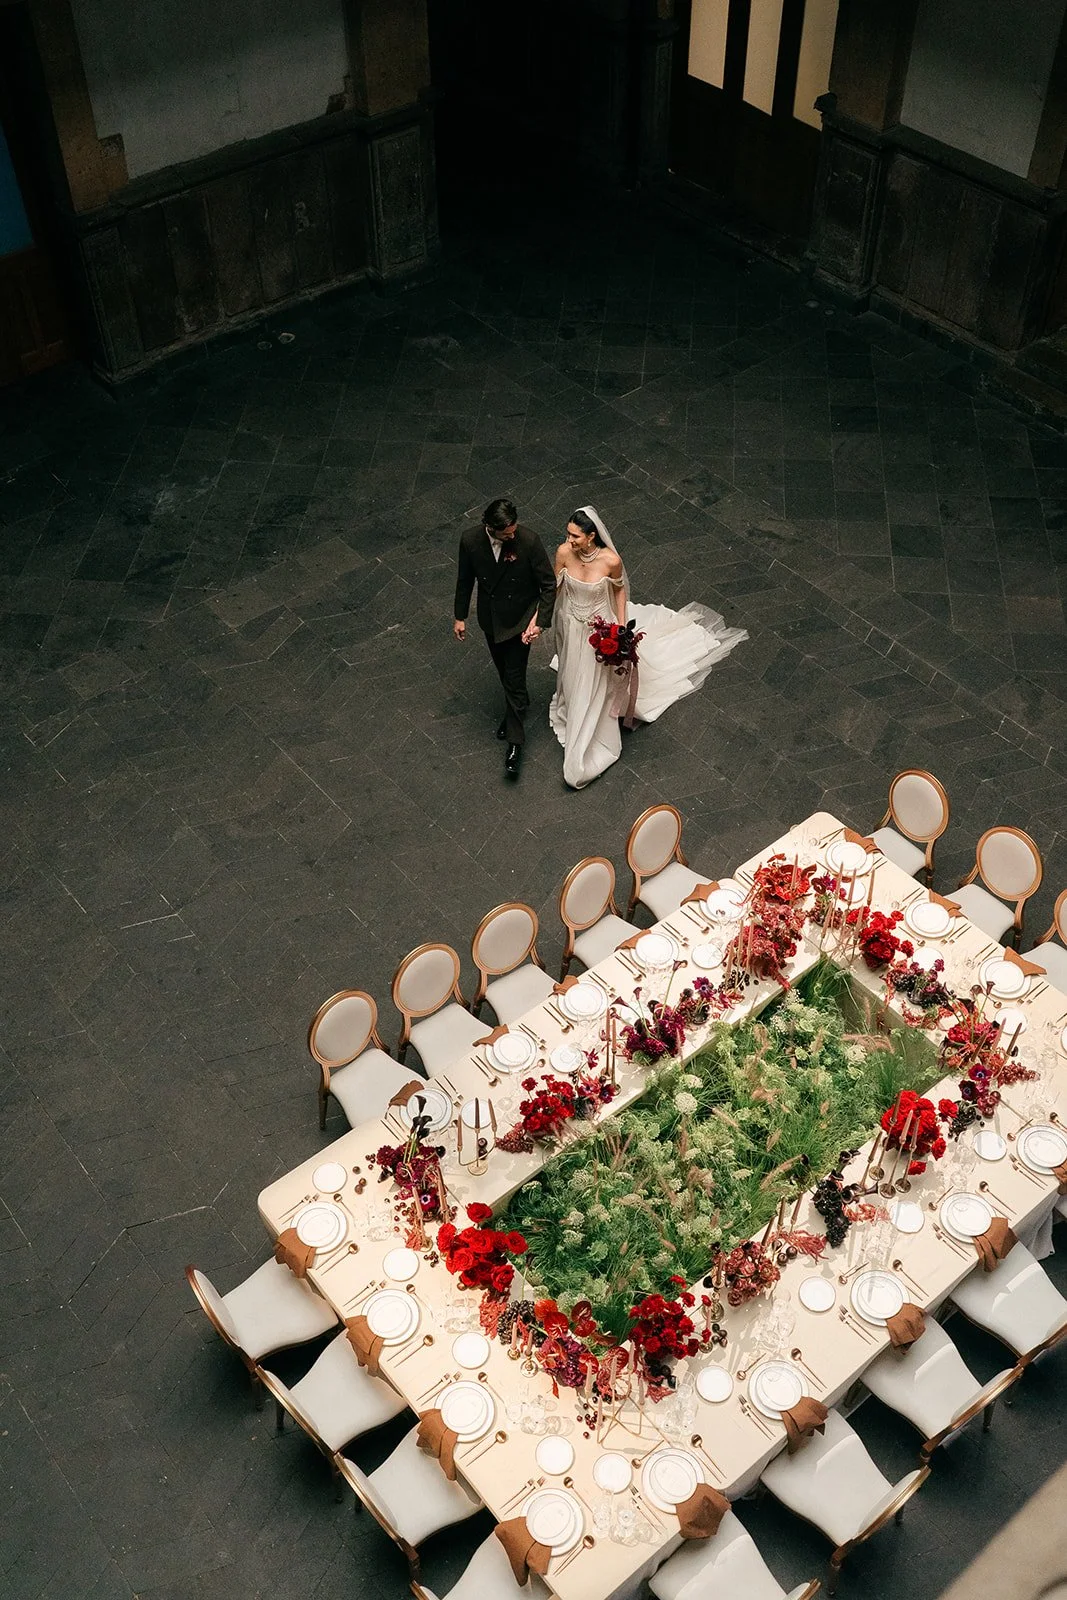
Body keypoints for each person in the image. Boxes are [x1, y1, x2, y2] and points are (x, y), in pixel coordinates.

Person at [550, 505, 747, 789]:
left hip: (599, 625)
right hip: (571, 622)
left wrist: (620, 627)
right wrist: (540, 618)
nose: (569, 540)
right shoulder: (563, 553)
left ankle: (587, 728)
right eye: (568, 534)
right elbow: (554, 588)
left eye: (575, 536)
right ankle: (573, 701)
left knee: (594, 676)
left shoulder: (610, 560)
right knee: (572, 668)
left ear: (591, 536)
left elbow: (619, 590)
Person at [453, 498, 557, 778]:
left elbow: (548, 585)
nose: (512, 536)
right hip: (490, 619)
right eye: (507, 533)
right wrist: (460, 616)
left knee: (513, 675)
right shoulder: (470, 540)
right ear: (490, 527)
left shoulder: (529, 541)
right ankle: (518, 705)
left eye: (514, 530)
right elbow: (465, 580)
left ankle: (515, 742)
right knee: (504, 671)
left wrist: (540, 622)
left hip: (520, 620)